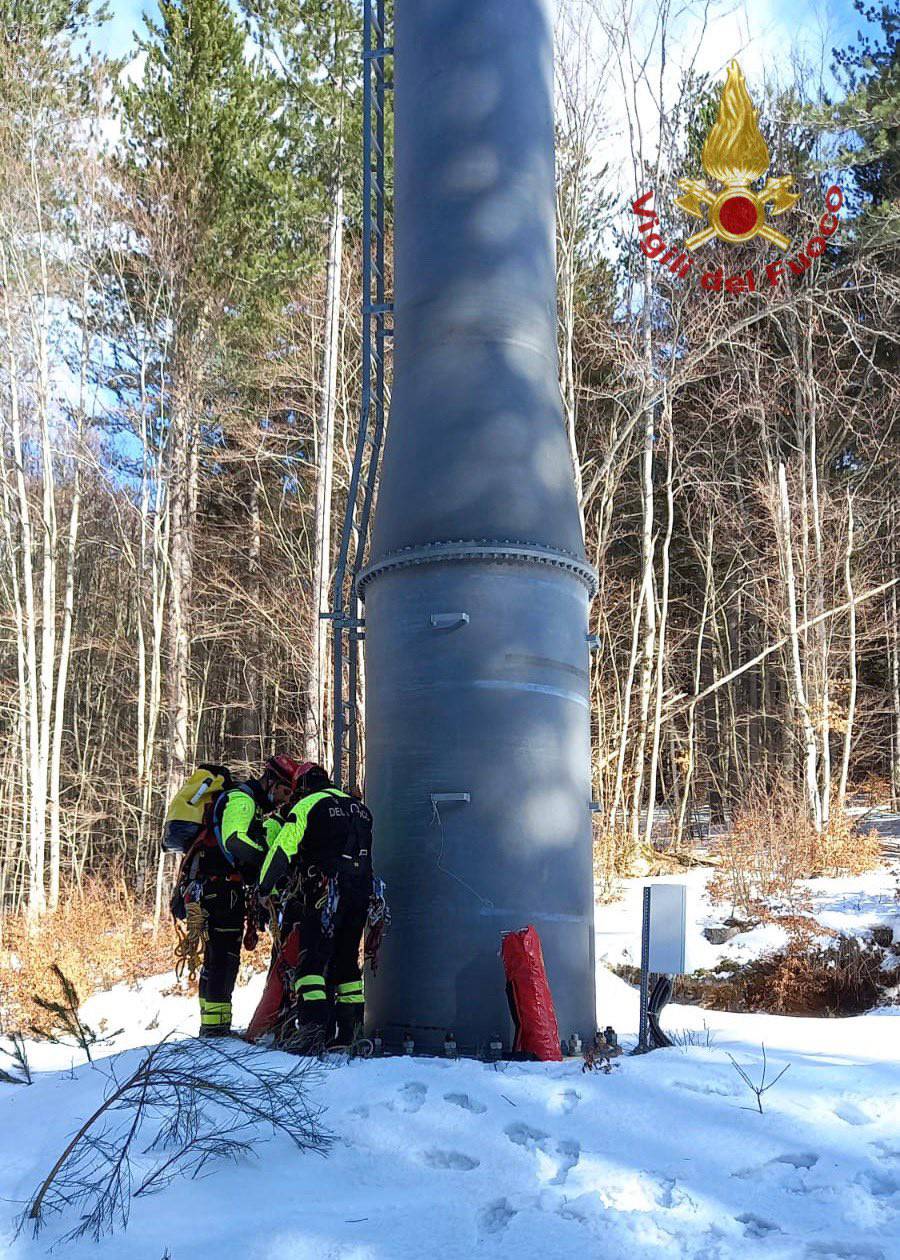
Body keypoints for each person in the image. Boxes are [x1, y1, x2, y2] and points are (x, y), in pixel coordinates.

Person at [257, 763, 374, 1049]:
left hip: (325, 893)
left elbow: (283, 849)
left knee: (311, 963)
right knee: (346, 963)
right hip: (360, 893)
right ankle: (350, 1033)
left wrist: (263, 888)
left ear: (303, 787)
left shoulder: (308, 805)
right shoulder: (361, 809)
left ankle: (312, 1032)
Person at [193, 754, 306, 1038]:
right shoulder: (242, 800)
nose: (282, 799)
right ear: (270, 782)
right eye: (283, 791)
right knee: (224, 957)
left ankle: (213, 1025)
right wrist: (268, 862)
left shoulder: (251, 805)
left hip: (222, 889)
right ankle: (216, 1029)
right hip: (221, 890)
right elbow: (235, 840)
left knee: (220, 955)